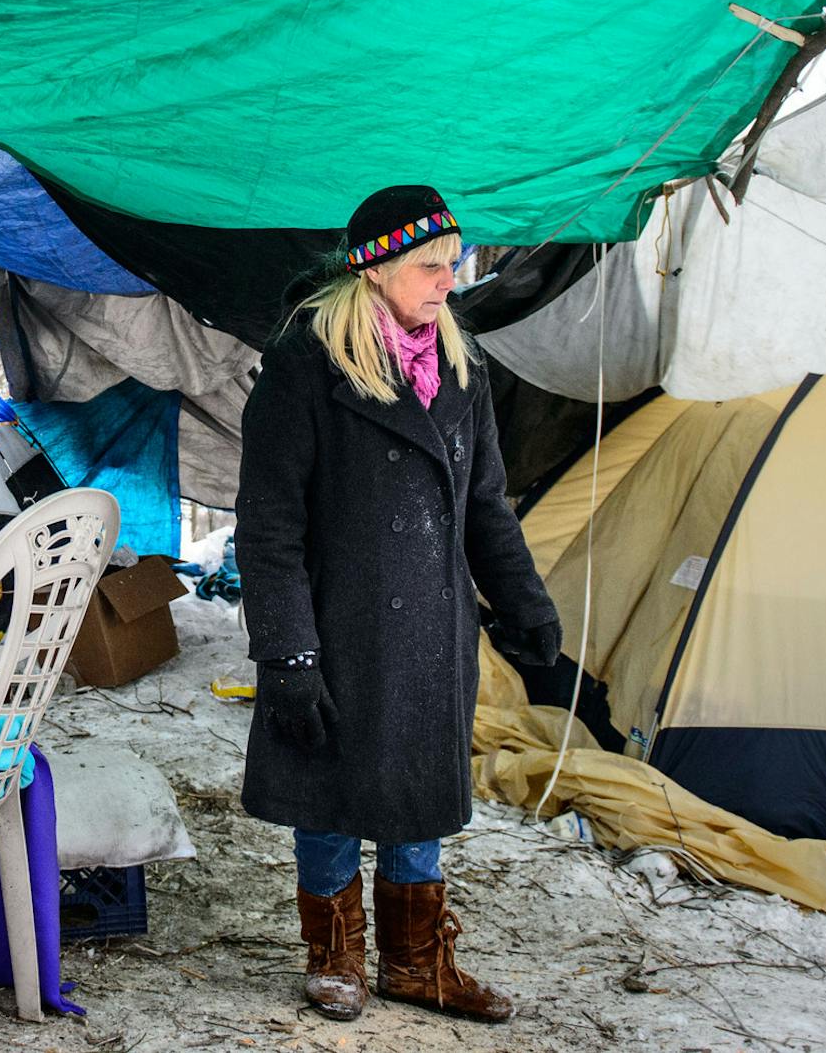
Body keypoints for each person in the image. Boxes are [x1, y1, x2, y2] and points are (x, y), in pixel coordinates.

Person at [237, 184, 562, 1024]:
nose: (448, 281)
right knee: (331, 791)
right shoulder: (306, 363)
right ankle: (335, 954)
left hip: (432, 626)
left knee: (416, 793)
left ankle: (418, 962)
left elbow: (486, 504)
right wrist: (288, 653)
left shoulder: (460, 363)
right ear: (374, 269)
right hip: (336, 623)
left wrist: (525, 604)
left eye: (454, 263)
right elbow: (268, 525)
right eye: (430, 265)